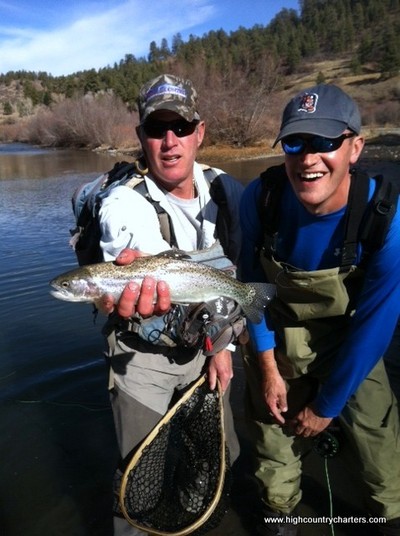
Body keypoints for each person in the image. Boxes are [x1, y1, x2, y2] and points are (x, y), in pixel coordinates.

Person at [239, 84, 400, 536]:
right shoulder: (262, 198)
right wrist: (268, 365)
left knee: (380, 457)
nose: (308, 158)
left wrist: (326, 406)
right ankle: (280, 516)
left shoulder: (385, 217)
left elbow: (376, 324)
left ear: (355, 148)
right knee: (274, 447)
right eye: (296, 142)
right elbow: (253, 290)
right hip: (276, 331)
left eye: (326, 142)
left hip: (353, 340)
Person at [94, 74, 243, 535]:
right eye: (156, 129)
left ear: (200, 132)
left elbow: (235, 271)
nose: (170, 141)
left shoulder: (228, 191)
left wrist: (223, 346)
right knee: (140, 478)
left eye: (180, 127)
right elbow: (137, 248)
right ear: (141, 137)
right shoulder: (122, 203)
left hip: (208, 346)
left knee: (219, 456)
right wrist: (140, 273)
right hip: (143, 356)